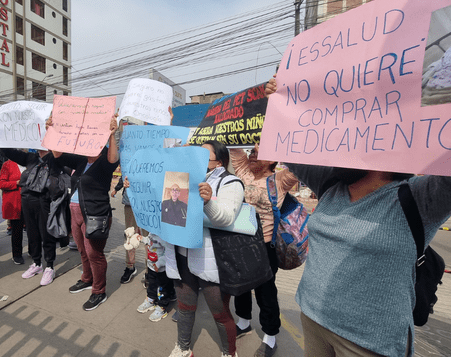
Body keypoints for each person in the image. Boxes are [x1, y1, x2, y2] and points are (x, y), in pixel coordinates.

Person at [264, 77, 451, 357]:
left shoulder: (421, 199)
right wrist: (280, 100)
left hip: (370, 343)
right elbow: (288, 143)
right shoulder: (330, 183)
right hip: (313, 320)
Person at [165, 140, 243, 357]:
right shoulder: (182, 178)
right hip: (182, 255)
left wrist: (208, 201)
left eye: (203, 154)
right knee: (185, 307)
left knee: (220, 313)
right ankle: (183, 347)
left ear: (219, 160)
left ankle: (229, 352)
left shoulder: (231, 182)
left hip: (212, 261)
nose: (196, 156)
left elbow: (226, 218)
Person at [229, 143, 298, 357]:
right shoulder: (242, 171)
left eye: (259, 153)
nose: (252, 155)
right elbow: (234, 145)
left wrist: (277, 143)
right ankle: (243, 322)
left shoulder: (280, 180)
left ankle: (270, 336)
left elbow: (300, 165)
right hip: (240, 243)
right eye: (252, 151)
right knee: (240, 286)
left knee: (265, 293)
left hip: (265, 247)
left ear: (272, 160)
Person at [49, 114, 119, 311]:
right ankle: (87, 279)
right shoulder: (80, 160)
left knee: (94, 253)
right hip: (75, 213)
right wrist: (53, 129)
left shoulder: (105, 160)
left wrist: (113, 134)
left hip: (95, 214)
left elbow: (114, 159)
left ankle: (99, 291)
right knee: (82, 250)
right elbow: (57, 155)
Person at [1, 147, 59, 286]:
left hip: (44, 202)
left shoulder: (54, 158)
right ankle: (37, 263)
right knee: (32, 234)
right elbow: (9, 151)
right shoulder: (31, 158)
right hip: (26, 201)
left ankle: (50, 266)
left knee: (46, 234)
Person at [136, 232, 176, 322]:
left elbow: (169, 253)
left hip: (161, 268)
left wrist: (159, 263)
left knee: (163, 288)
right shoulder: (152, 231)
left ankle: (162, 306)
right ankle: (151, 299)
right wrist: (142, 238)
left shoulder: (165, 235)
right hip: (151, 265)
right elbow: (149, 240)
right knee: (152, 283)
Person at [0, 157, 26, 265]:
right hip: (15, 202)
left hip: (30, 201)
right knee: (17, 230)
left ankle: (34, 251)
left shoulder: (30, 163)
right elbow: (2, 184)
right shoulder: (7, 164)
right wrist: (17, 182)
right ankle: (17, 254)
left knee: (33, 229)